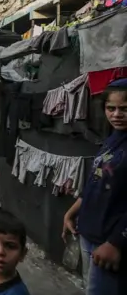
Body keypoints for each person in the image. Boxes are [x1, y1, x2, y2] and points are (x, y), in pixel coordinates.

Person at [62, 78, 127, 295]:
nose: (116, 114)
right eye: (111, 108)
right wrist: (71, 213)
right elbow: (95, 182)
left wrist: (116, 243)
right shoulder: (112, 139)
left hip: (110, 242)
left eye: (124, 109)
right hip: (89, 234)